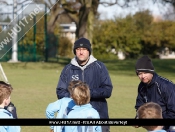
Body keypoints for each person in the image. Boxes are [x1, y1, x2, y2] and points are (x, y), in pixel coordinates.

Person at [56, 37, 113, 132]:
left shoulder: (100, 67)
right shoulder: (68, 69)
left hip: (98, 115)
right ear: (75, 51)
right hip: (73, 117)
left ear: (89, 51)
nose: (81, 52)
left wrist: (87, 93)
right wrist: (74, 95)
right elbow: (60, 91)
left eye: (84, 49)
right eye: (78, 49)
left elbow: (107, 90)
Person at [134, 55, 175, 130]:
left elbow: (173, 111)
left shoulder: (166, 86)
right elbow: (140, 106)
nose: (143, 76)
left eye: (145, 73)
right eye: (140, 74)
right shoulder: (142, 86)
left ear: (151, 72)